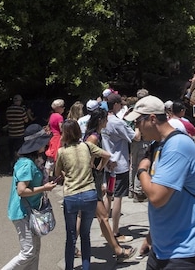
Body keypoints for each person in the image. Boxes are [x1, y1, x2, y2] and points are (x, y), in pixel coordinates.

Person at [127, 95, 195, 270]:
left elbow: (156, 197)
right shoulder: (159, 144)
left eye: (138, 121)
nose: (136, 127)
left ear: (152, 119)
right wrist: (151, 236)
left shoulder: (177, 146)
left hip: (187, 251)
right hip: (163, 247)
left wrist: (141, 170)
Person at [55, 120, 111, 270]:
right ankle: (86, 267)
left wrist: (66, 173)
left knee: (71, 237)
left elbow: (56, 172)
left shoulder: (62, 151)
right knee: (85, 235)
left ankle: (69, 267)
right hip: (89, 193)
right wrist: (99, 167)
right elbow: (107, 155)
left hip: (71, 195)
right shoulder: (87, 146)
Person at [1, 124, 58, 270]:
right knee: (28, 252)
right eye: (43, 142)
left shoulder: (33, 162)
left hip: (30, 211)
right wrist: (44, 188)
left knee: (34, 250)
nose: (46, 144)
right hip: (22, 212)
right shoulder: (26, 164)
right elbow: (21, 190)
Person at [84, 110, 135, 262]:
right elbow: (88, 159)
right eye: (106, 119)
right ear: (100, 120)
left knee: (98, 216)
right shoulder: (93, 137)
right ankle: (118, 250)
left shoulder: (95, 135)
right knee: (103, 217)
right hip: (91, 182)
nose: (107, 122)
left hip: (94, 180)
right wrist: (101, 166)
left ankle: (117, 249)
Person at [100, 93, 135, 238]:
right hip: (119, 164)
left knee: (108, 195)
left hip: (108, 164)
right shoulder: (117, 122)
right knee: (118, 197)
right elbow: (135, 136)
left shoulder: (103, 121)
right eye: (120, 104)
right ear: (115, 105)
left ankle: (105, 229)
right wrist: (137, 122)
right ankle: (115, 231)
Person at [7, 95, 34, 165]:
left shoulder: (8, 109)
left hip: (11, 133)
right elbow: (26, 120)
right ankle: (19, 165)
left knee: (12, 151)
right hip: (19, 133)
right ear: (19, 101)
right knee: (19, 150)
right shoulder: (21, 110)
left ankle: (11, 165)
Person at [45, 99, 65, 176]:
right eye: (62, 107)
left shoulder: (52, 115)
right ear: (58, 108)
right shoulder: (60, 117)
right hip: (58, 139)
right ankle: (57, 176)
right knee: (56, 158)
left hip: (52, 137)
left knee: (51, 157)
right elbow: (61, 129)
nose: (64, 108)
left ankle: (47, 176)